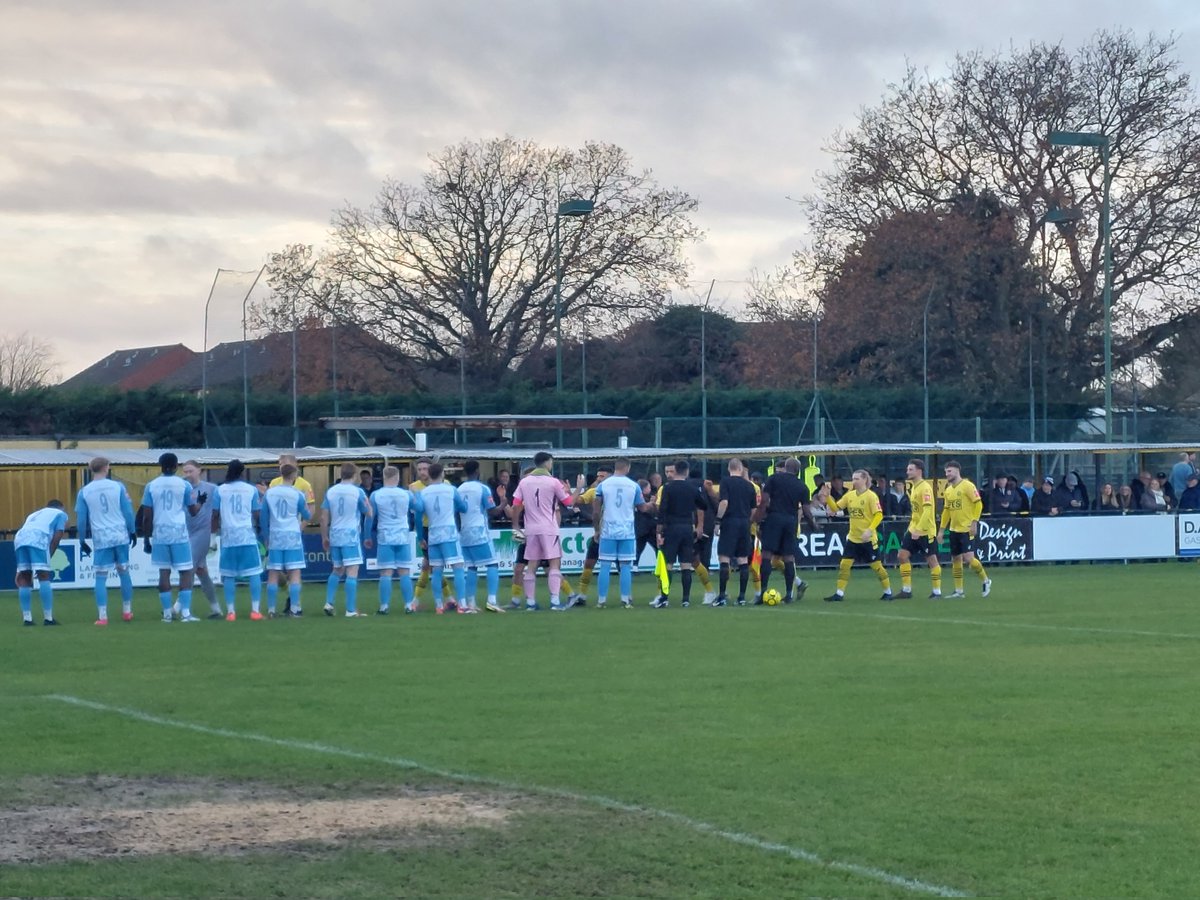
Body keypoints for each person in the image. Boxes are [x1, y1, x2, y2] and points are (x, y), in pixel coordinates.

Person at [511, 451, 583, 611]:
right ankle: (555, 601)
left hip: (531, 529)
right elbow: (569, 502)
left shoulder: (524, 482)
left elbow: (516, 504)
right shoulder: (553, 482)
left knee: (531, 565)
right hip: (549, 528)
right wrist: (578, 488)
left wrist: (515, 525)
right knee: (554, 564)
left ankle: (530, 603)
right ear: (547, 462)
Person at [140, 452, 204, 623]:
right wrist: (200, 502)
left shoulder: (151, 486)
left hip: (160, 534)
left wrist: (146, 539)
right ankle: (185, 613)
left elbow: (147, 516)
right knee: (186, 572)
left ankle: (167, 614)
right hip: (179, 533)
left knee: (164, 572)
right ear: (176, 466)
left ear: (160, 466)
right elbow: (193, 511)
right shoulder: (184, 485)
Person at [75, 456, 137, 625]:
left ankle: (103, 616)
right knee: (124, 572)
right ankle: (127, 611)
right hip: (120, 534)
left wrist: (82, 539)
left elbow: (81, 518)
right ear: (106, 468)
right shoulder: (118, 486)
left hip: (101, 537)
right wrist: (132, 531)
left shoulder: (84, 491)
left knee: (101, 577)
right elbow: (128, 511)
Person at [823, 469, 891, 601]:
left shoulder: (871, 496)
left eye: (857, 479)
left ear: (865, 480)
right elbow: (836, 508)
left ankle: (888, 592)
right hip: (853, 538)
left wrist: (869, 530)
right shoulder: (850, 495)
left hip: (868, 539)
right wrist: (828, 497)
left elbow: (878, 515)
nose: (854, 481)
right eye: (853, 478)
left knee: (877, 566)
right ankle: (839, 593)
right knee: (844, 565)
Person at [595, 458, 653, 609]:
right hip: (627, 530)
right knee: (626, 565)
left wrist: (596, 529)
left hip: (608, 529)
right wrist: (652, 504)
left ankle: (601, 601)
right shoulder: (633, 485)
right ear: (627, 467)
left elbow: (596, 510)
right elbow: (642, 508)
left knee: (605, 565)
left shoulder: (603, 485)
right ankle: (625, 600)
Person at [212, 460, 265, 620]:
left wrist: (213, 537)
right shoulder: (251, 490)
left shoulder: (220, 490)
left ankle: (231, 612)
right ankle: (255, 611)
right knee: (254, 573)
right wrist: (262, 530)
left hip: (229, 538)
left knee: (229, 575)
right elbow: (257, 513)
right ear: (242, 472)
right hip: (246, 536)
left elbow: (215, 515)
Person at [757, 457, 815, 604]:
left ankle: (762, 592)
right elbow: (806, 511)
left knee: (767, 555)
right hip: (790, 521)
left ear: (786, 467)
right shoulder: (802, 486)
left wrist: (757, 518)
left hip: (774, 518)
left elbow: (764, 501)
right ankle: (789, 595)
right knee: (789, 558)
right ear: (798, 470)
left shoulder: (773, 479)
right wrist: (813, 525)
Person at [320, 461, 373, 617]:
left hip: (335, 533)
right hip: (350, 535)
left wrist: (324, 536)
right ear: (355, 475)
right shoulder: (358, 492)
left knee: (337, 569)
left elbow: (323, 517)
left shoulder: (331, 491)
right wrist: (368, 504)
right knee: (352, 571)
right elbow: (368, 513)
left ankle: (329, 602)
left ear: (341, 474)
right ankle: (350, 610)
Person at [653, 459, 707, 607]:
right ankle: (686, 599)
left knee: (668, 565)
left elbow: (662, 509)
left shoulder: (668, 488)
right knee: (686, 565)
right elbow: (703, 505)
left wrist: (659, 530)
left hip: (671, 528)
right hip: (687, 528)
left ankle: (664, 598)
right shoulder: (692, 488)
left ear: (675, 470)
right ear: (687, 472)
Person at [417, 462, 469, 613]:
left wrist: (420, 537)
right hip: (449, 533)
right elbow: (463, 508)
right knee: (458, 567)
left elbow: (418, 516)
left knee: (437, 570)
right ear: (442, 474)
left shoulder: (423, 493)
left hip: (433, 534)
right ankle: (462, 604)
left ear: (429, 474)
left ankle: (439, 606)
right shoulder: (451, 489)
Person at [261, 462, 312, 617]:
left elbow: (263, 517)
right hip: (292, 536)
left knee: (273, 573)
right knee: (294, 572)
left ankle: (271, 610)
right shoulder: (298, 494)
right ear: (294, 475)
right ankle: (295, 609)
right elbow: (307, 515)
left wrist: (266, 537)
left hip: (276, 535)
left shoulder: (270, 493)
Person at [457, 459, 504, 613]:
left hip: (464, 533)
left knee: (471, 567)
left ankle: (471, 603)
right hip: (479, 531)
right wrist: (503, 502)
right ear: (477, 471)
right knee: (492, 564)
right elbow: (492, 511)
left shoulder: (459, 489)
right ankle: (492, 600)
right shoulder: (483, 488)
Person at [939, 460, 991, 598]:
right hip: (954, 529)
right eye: (946, 472)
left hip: (966, 528)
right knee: (956, 559)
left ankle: (986, 580)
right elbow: (946, 511)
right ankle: (959, 591)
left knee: (969, 558)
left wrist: (974, 522)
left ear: (957, 471)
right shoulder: (948, 490)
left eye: (949, 471)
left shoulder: (968, 485)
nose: (947, 474)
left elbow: (978, 504)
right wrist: (941, 530)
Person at [712, 458, 758, 606]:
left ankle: (722, 596)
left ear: (729, 468)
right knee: (742, 559)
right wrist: (748, 522)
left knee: (724, 558)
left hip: (729, 522)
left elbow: (724, 502)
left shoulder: (725, 482)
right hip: (744, 523)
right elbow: (754, 510)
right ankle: (742, 597)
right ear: (741, 469)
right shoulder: (749, 486)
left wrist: (718, 520)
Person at [14, 500, 67, 626]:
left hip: (20, 538)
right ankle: (48, 618)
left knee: (25, 577)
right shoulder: (60, 514)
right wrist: (49, 556)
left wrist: (18, 571)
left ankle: (27, 619)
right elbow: (58, 536)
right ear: (60, 508)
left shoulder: (34, 514)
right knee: (44, 576)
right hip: (38, 537)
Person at [896, 458, 943, 599]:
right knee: (902, 556)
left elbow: (928, 511)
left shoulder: (925, 488)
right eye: (907, 469)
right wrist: (912, 528)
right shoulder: (914, 487)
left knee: (932, 560)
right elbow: (916, 511)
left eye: (911, 469)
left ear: (919, 471)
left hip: (925, 531)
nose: (907, 472)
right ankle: (906, 590)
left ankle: (937, 592)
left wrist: (919, 528)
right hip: (913, 529)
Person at [181, 459, 222, 619]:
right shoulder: (182, 488)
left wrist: (214, 533)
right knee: (201, 571)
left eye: (190, 471)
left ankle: (178, 608)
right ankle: (216, 608)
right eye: (185, 471)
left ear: (199, 470)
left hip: (203, 532)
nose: (188, 474)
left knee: (189, 569)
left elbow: (218, 510)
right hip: (186, 532)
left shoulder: (212, 489)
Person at [572, 464, 613, 607]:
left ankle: (626, 597)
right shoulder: (593, 491)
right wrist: (577, 489)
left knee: (622, 566)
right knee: (589, 563)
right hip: (600, 534)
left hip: (615, 534)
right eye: (598, 476)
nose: (599, 479)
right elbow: (575, 501)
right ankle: (582, 595)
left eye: (602, 476)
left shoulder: (616, 491)